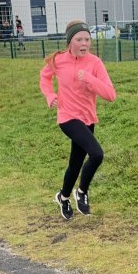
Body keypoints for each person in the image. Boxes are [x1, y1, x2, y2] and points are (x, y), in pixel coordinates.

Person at [39, 20, 116, 221]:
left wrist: (89, 78)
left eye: (87, 39)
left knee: (75, 163)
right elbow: (44, 77)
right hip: (67, 117)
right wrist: (50, 95)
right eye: (79, 39)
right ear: (70, 42)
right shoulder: (58, 60)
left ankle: (63, 197)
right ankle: (82, 191)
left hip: (87, 118)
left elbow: (110, 95)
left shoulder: (95, 63)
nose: (84, 43)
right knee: (97, 154)